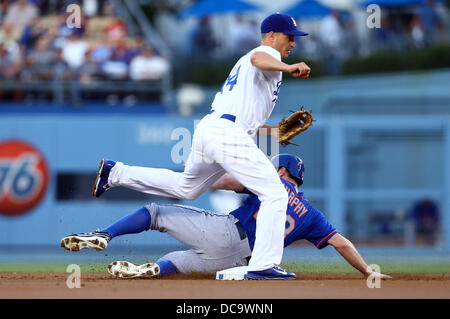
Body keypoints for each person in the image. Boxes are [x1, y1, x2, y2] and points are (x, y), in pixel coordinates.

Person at [89, 13, 311, 280]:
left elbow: (245, 120)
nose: (294, 44)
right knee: (275, 192)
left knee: (187, 187)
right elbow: (257, 57)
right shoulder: (264, 53)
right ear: (272, 35)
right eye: (290, 38)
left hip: (213, 129)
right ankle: (263, 264)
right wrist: (288, 68)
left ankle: (115, 173)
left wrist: (274, 133)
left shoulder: (265, 65)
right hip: (226, 133)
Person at [61, 154, 392, 281]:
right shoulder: (313, 215)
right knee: (178, 260)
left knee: (155, 212)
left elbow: (229, 181)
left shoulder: (270, 181)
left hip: (227, 232)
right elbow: (342, 243)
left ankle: (104, 234)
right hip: (242, 261)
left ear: (280, 170)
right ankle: (151, 269)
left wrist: (199, 179)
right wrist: (367, 270)